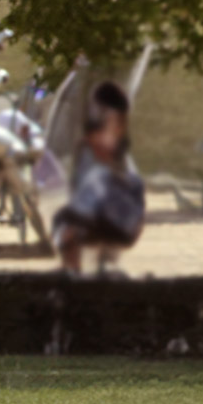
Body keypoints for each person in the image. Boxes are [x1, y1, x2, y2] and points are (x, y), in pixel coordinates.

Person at [52, 81, 144, 276]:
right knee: (65, 222)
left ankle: (78, 269)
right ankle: (73, 271)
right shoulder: (85, 151)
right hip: (99, 213)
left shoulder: (118, 155)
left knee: (97, 180)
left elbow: (126, 182)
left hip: (122, 216)